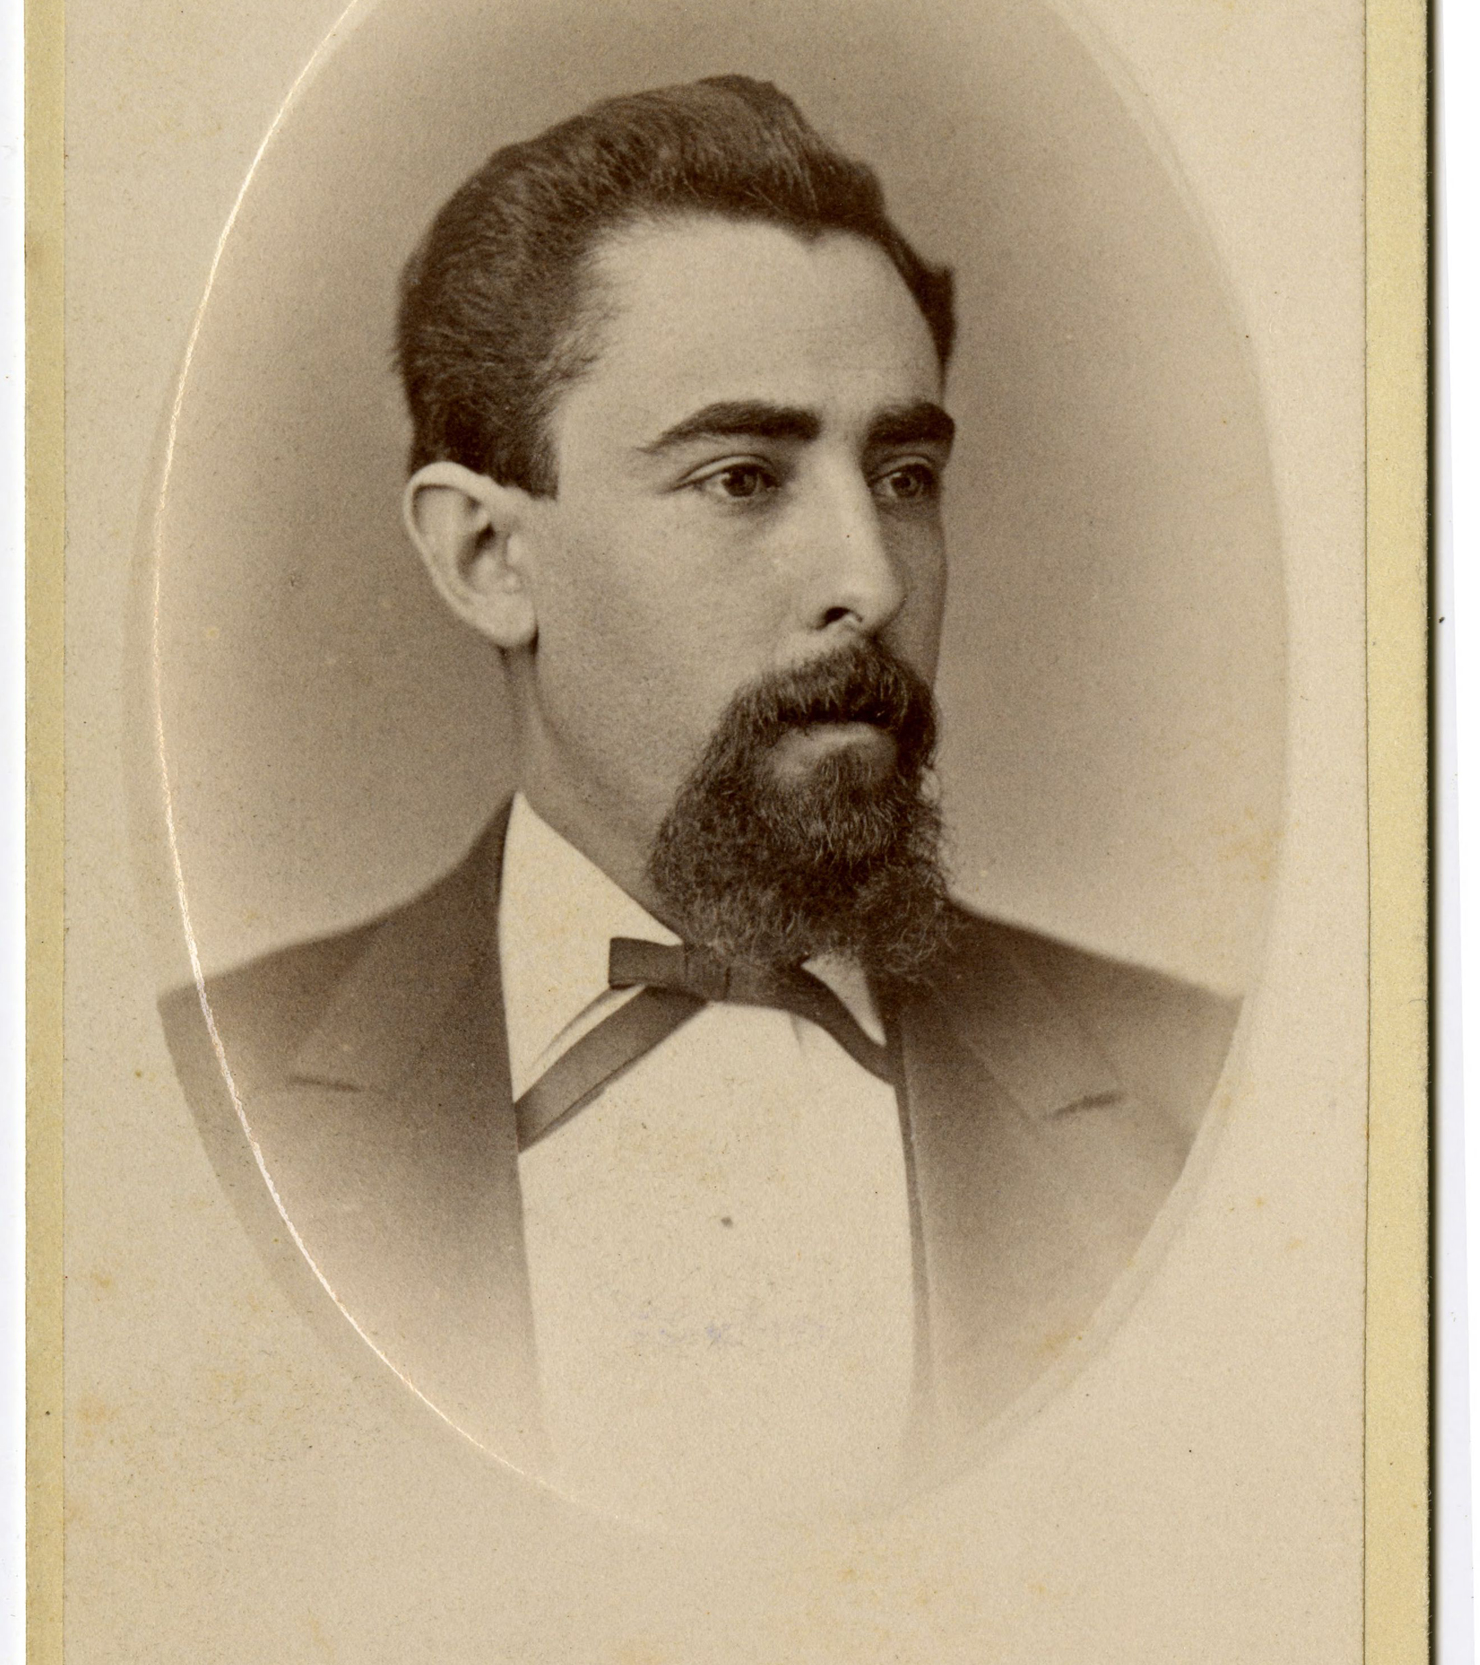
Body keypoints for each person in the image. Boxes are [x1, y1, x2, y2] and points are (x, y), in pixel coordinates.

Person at [163, 76, 1236, 1525]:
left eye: (906, 473)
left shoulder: (1205, 1095)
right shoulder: (189, 1115)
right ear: (487, 554)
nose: (870, 577)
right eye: (743, 477)